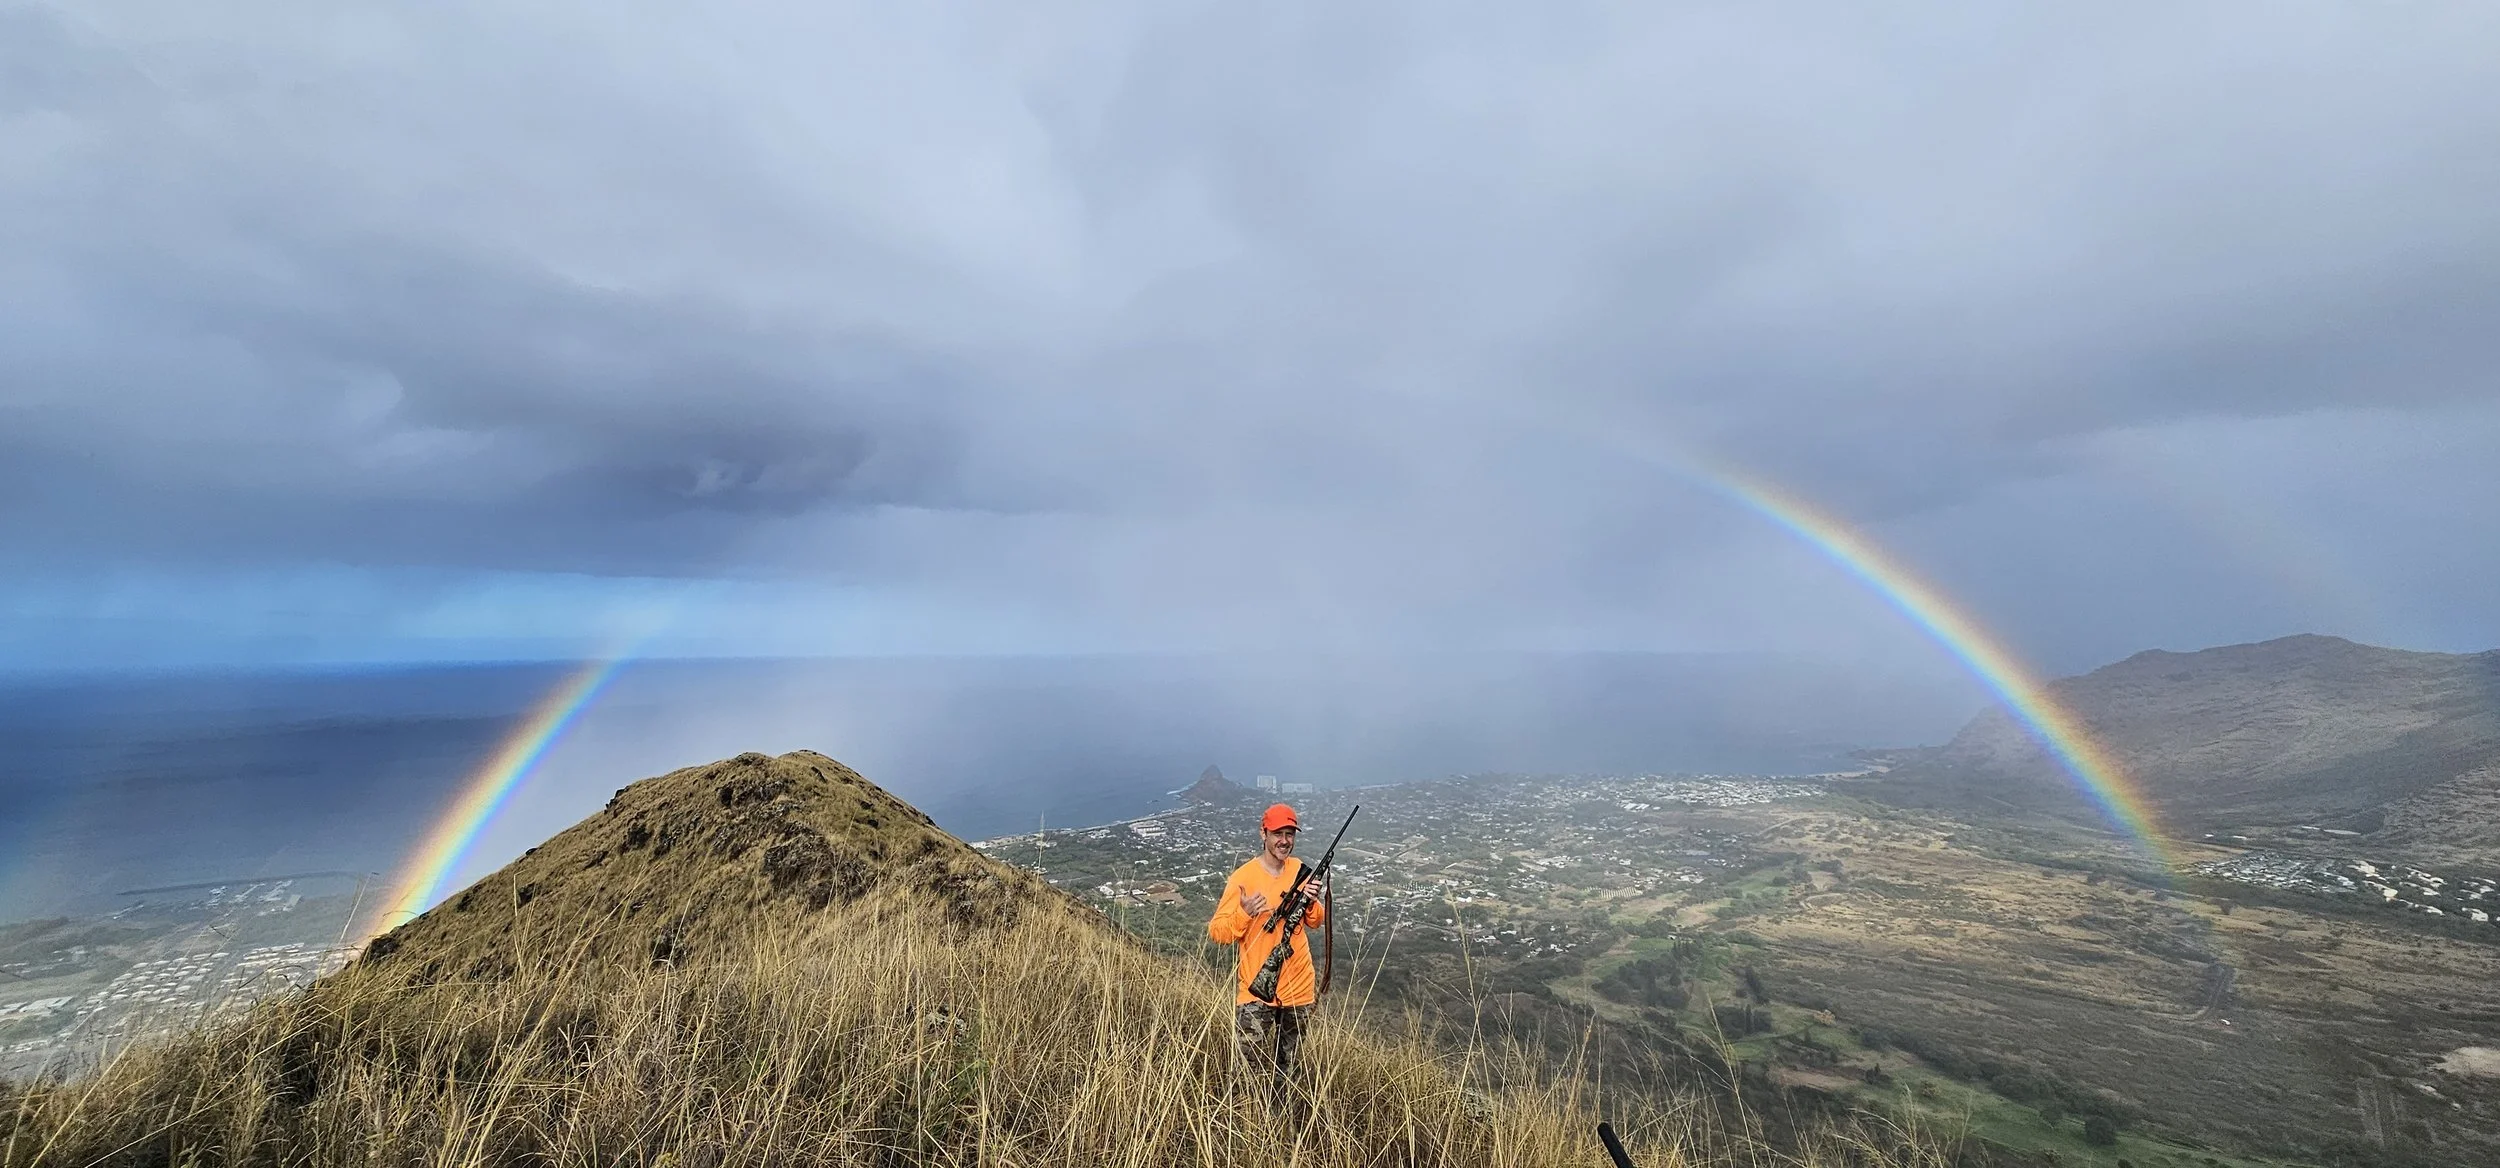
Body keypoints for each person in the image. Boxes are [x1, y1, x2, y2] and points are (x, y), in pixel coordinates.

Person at [1207, 802, 1329, 1098]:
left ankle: (1282, 1129)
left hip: (1298, 988)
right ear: (1263, 833)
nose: (1284, 840)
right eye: (1277, 833)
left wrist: (1312, 900)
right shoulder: (1243, 878)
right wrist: (1244, 914)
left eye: (1289, 834)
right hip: (1256, 990)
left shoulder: (1300, 871)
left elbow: (1315, 921)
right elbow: (1218, 932)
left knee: (1288, 1071)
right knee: (1246, 1073)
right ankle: (1244, 1128)